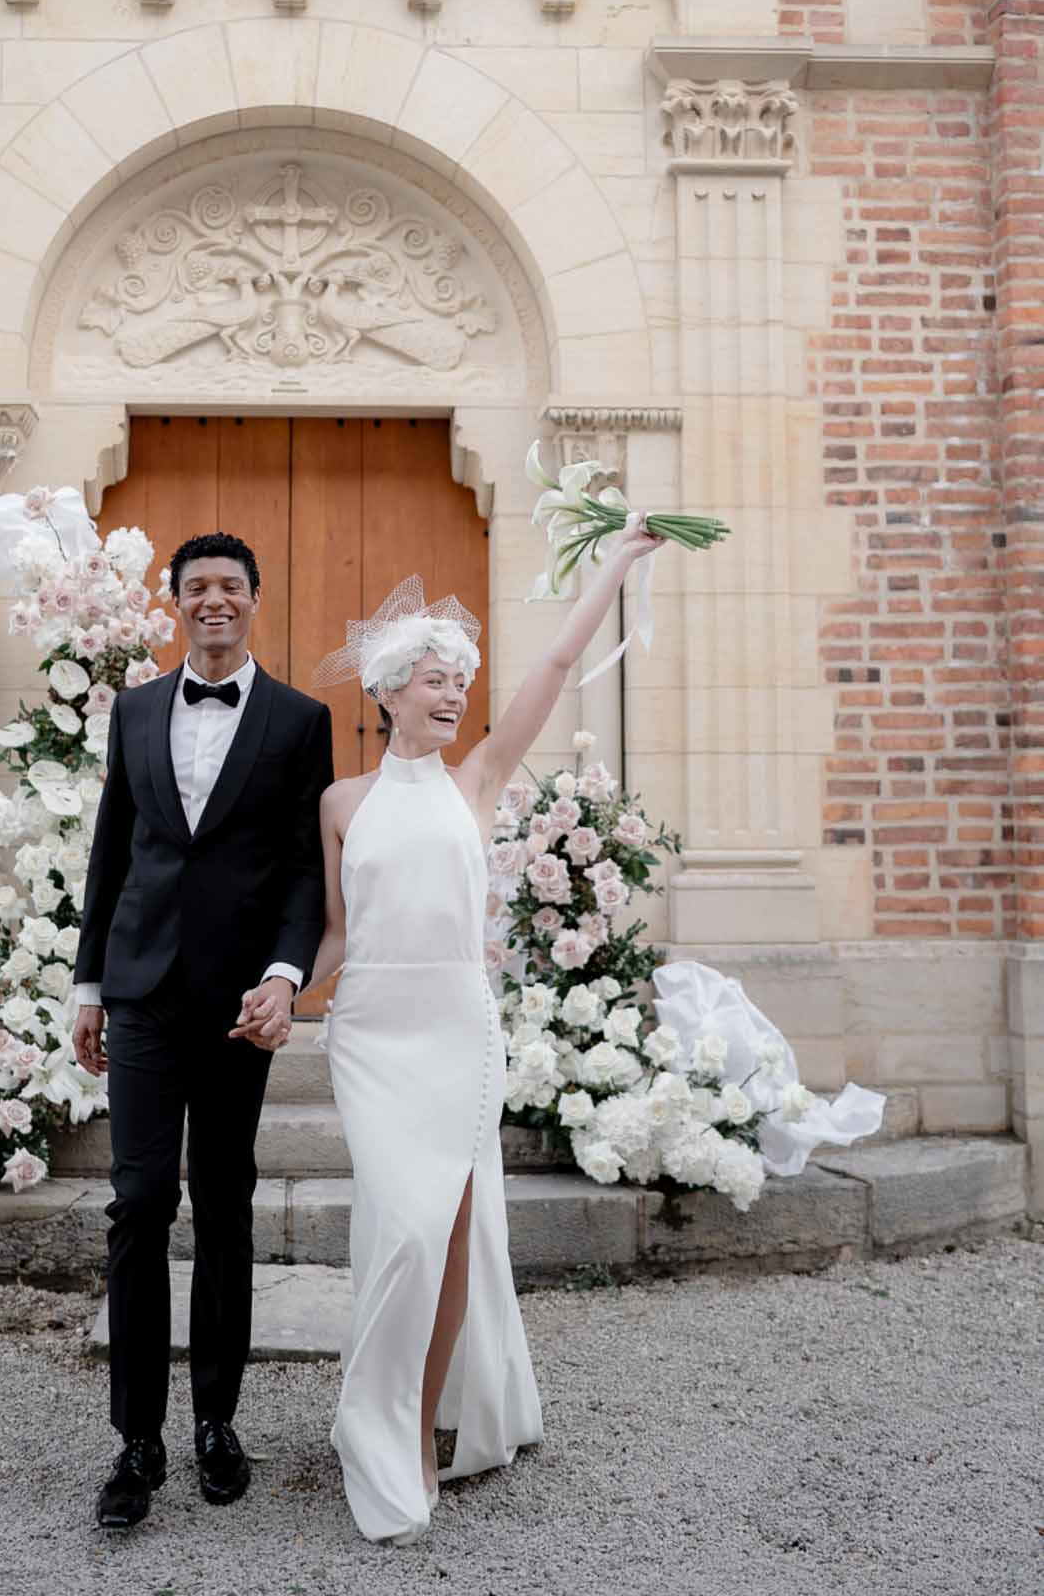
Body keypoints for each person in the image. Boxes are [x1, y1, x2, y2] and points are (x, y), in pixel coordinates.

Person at [303, 518, 666, 1544]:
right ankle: (378, 1412)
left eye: (458, 678)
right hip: (371, 1034)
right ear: (387, 691)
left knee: (448, 1232)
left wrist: (617, 562)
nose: (453, 692)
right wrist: (286, 989)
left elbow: (555, 662)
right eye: (432, 678)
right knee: (400, 1230)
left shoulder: (479, 783)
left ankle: (416, 1429)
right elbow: (335, 929)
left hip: (459, 1029)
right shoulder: (341, 802)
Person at [72, 531, 334, 1531]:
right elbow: (110, 854)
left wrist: (283, 974)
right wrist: (89, 983)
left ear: (254, 599)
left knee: (224, 1200)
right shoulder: (134, 710)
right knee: (139, 1200)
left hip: (237, 1004)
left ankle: (217, 1420)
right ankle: (136, 1439)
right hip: (139, 993)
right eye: (197, 587)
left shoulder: (298, 719)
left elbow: (308, 869)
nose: (213, 600)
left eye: (230, 586)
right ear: (177, 601)